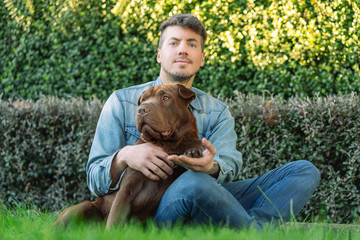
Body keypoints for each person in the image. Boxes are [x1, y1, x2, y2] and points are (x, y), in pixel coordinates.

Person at [86, 14, 320, 230]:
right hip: (153, 212)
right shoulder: (122, 101)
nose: (183, 50)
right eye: (174, 43)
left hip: (205, 194)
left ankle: (254, 228)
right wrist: (125, 156)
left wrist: (211, 167)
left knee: (303, 171)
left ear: (202, 59)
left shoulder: (217, 111)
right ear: (159, 54)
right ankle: (252, 231)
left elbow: (229, 163)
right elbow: (94, 177)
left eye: (192, 44)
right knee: (194, 182)